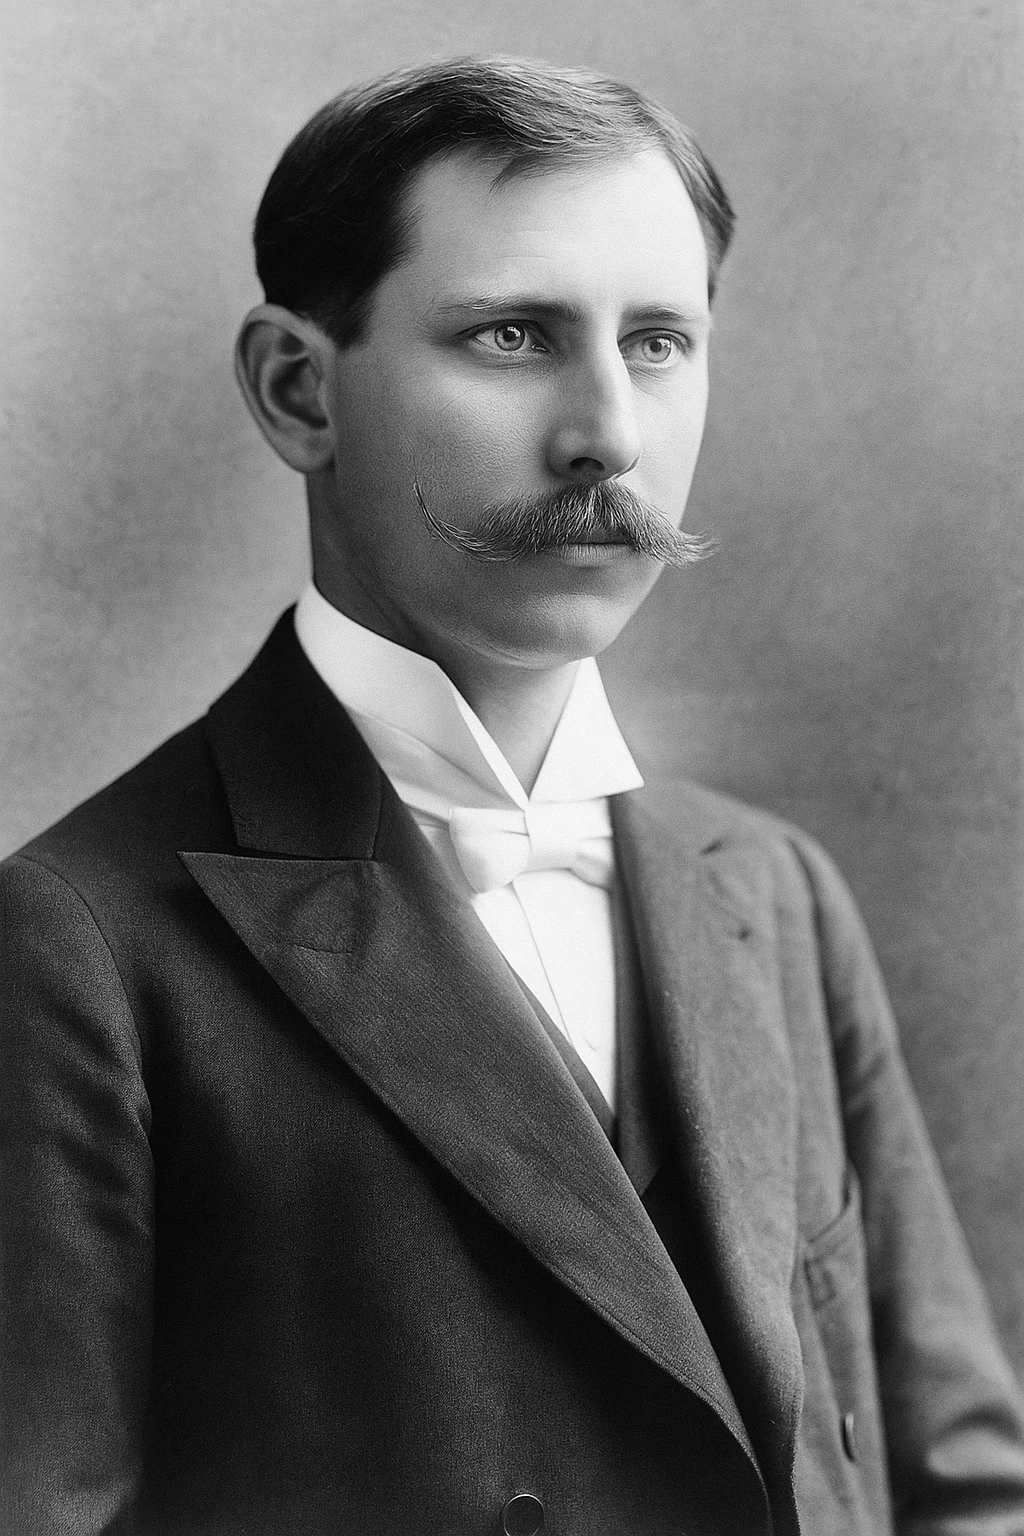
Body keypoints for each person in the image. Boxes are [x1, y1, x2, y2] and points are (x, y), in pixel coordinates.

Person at [2, 55, 1023, 1536]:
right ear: (300, 389)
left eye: (660, 341)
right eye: (511, 335)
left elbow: (963, 1484)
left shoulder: (776, 890)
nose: (608, 430)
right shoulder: (76, 946)